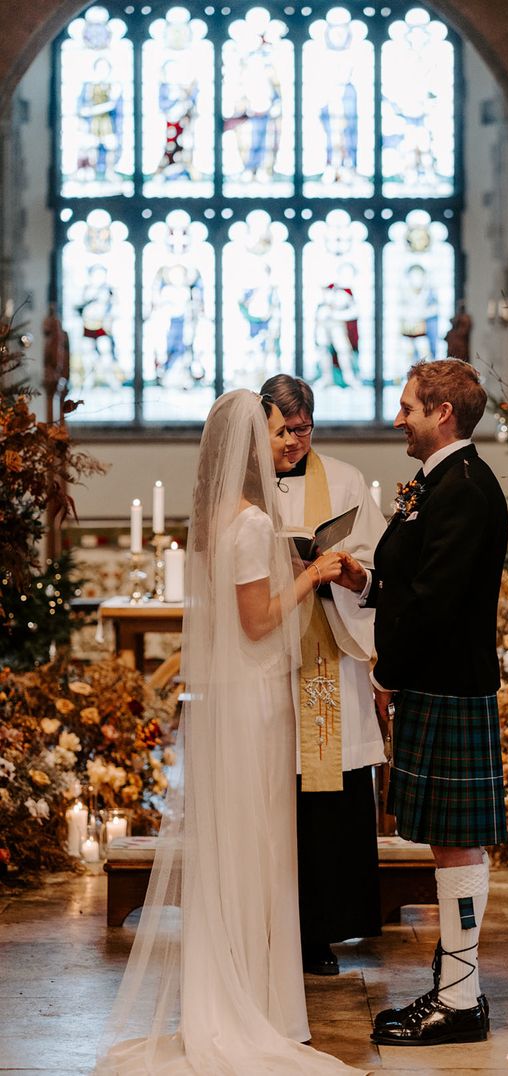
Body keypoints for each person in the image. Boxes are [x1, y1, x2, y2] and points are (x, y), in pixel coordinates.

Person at [96, 390, 363, 1075]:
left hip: (237, 699)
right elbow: (256, 620)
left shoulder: (218, 519)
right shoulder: (246, 525)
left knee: (244, 848)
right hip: (253, 705)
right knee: (257, 849)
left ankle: (244, 992)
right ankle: (252, 1004)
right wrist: (311, 573)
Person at [336, 358, 508, 1047]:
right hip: (436, 677)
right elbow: (416, 579)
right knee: (450, 840)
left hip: (448, 680)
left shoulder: (464, 487)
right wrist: (367, 579)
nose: (398, 417)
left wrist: (387, 672)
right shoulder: (439, 482)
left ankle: (460, 1002)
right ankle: (453, 991)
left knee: (456, 843)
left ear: (442, 413)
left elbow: (436, 603)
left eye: (408, 406)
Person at [260, 374, 386, 976]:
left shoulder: (343, 480)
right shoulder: (245, 485)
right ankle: (268, 924)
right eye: (285, 431)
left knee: (328, 797)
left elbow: (375, 566)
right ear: (262, 427)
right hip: (266, 659)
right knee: (274, 793)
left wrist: (347, 571)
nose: (295, 442)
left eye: (304, 428)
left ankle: (322, 931)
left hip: (328, 653)